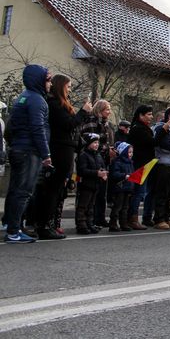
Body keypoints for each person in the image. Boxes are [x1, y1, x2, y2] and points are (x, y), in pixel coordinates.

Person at [34, 74, 90, 240]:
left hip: (66, 148)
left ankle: (48, 223)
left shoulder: (60, 104)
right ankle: (44, 225)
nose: (70, 89)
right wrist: (83, 112)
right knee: (52, 188)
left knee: (57, 189)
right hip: (59, 148)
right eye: (68, 86)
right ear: (60, 86)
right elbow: (69, 124)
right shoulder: (54, 104)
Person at [3, 65, 52, 243]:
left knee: (15, 190)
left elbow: (10, 127)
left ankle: (9, 224)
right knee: (23, 192)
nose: (50, 83)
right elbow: (37, 128)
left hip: (18, 148)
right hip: (29, 152)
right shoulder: (37, 100)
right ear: (38, 80)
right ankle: (14, 232)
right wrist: (46, 153)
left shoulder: (22, 98)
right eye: (48, 80)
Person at [80, 100, 115, 229]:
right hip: (91, 161)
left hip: (103, 161)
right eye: (107, 109)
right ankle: (86, 220)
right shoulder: (91, 122)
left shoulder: (108, 125)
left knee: (101, 193)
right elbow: (90, 143)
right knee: (90, 194)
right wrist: (107, 150)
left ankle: (99, 218)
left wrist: (111, 150)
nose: (109, 112)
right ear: (100, 110)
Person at [126, 105, 155, 230]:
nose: (151, 117)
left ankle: (131, 218)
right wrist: (164, 130)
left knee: (140, 192)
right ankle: (132, 218)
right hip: (139, 164)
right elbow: (152, 142)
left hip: (145, 163)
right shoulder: (138, 129)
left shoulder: (144, 128)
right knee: (138, 192)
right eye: (148, 114)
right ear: (141, 115)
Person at [75, 133, 108, 235]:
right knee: (83, 206)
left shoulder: (98, 155)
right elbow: (82, 171)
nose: (97, 144)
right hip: (86, 184)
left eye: (97, 142)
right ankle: (81, 225)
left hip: (95, 184)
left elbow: (102, 166)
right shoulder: (83, 155)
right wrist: (97, 173)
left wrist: (104, 173)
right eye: (94, 142)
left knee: (91, 206)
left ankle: (89, 223)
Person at [109, 141, 134, 231]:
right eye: (129, 152)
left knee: (125, 207)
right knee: (117, 206)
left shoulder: (130, 162)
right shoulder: (117, 162)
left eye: (132, 152)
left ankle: (124, 223)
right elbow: (114, 174)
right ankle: (113, 224)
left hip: (127, 187)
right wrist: (124, 175)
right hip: (120, 188)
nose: (131, 154)